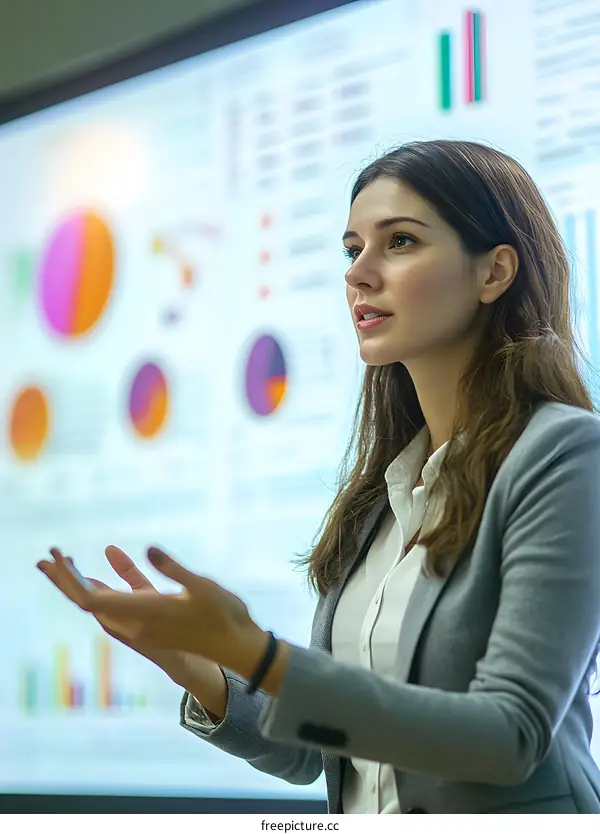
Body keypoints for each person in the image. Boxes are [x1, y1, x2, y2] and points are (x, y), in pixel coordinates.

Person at [39, 139, 600, 814]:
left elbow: (510, 737)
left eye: (399, 242)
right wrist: (204, 665)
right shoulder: (381, 495)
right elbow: (320, 754)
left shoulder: (565, 456)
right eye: (351, 248)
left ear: (494, 272)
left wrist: (264, 655)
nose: (359, 274)